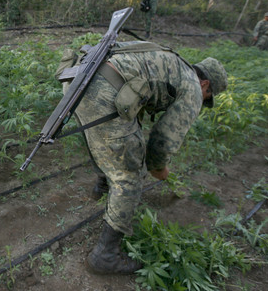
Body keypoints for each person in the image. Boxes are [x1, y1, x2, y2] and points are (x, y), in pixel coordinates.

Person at [57, 40, 227, 275]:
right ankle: (104, 255)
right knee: (130, 174)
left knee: (100, 137)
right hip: (103, 90)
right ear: (205, 83)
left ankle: (102, 184)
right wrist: (159, 168)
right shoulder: (193, 88)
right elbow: (163, 140)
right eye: (208, 94)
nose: (204, 97)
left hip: (79, 79)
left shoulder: (170, 60)